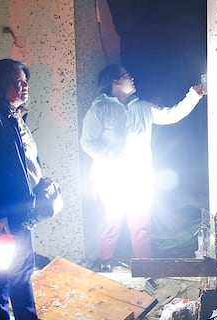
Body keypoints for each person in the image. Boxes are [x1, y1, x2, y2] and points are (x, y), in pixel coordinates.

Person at [0, 58, 67, 320]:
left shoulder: (13, 116)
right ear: (1, 84)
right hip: (9, 206)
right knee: (22, 265)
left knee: (5, 263)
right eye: (17, 81)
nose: (24, 85)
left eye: (25, 80)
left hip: (19, 203)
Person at [80, 63, 204, 271]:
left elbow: (171, 114)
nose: (132, 78)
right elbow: (87, 142)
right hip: (110, 178)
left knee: (141, 225)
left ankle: (146, 266)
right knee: (110, 223)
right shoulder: (99, 109)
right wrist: (113, 156)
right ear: (115, 82)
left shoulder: (143, 107)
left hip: (139, 177)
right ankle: (104, 263)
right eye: (127, 76)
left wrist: (194, 94)